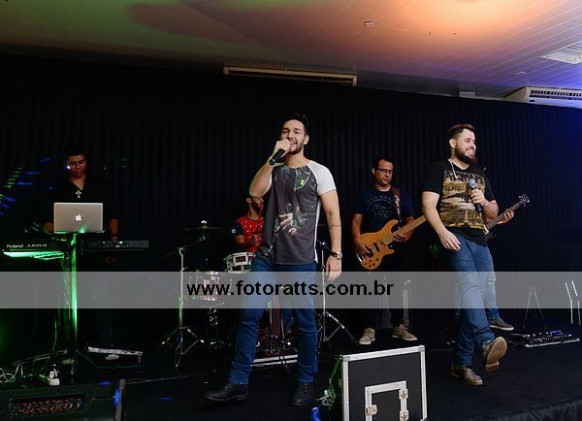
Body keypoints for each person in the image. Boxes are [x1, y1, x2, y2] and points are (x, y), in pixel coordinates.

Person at [205, 113, 342, 406]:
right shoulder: (274, 168)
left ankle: (306, 381)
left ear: (306, 138)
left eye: (296, 131)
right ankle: (238, 381)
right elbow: (255, 191)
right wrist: (272, 157)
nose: (290, 135)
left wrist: (336, 254)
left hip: (300, 259)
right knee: (249, 315)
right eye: (285, 130)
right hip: (266, 257)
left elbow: (333, 214)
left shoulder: (319, 171)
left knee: (304, 322)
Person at [422, 123, 507, 386]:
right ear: (453, 143)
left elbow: (493, 212)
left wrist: (484, 201)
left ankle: (460, 363)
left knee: (475, 300)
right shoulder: (440, 168)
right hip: (452, 235)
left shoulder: (479, 175)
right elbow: (428, 205)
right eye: (468, 141)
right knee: (470, 285)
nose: (473, 145)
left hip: (479, 239)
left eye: (474, 142)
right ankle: (486, 340)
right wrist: (441, 232)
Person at [43, 144, 119, 348]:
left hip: (96, 248)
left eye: (81, 162)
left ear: (87, 162)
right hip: (70, 251)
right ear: (66, 165)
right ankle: (72, 347)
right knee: (70, 299)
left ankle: (107, 345)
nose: (77, 167)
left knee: (101, 296)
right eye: (73, 163)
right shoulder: (59, 189)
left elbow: (112, 214)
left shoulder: (99, 185)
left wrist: (113, 241)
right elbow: (46, 222)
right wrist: (58, 230)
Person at [351, 156, 417, 344]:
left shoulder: (399, 194)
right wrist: (357, 240)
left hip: (395, 249)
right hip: (371, 247)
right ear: (374, 171)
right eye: (383, 170)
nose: (387, 174)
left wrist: (407, 235)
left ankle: (398, 326)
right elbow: (355, 220)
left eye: (390, 171)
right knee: (369, 288)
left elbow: (410, 219)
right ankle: (368, 329)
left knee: (396, 285)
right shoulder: (364, 194)